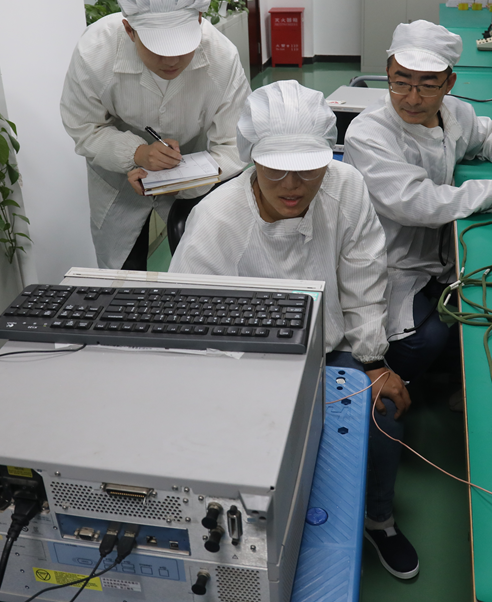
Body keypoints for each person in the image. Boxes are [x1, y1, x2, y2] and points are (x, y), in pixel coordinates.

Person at [169, 80, 422, 580]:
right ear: (251, 158)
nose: (292, 185)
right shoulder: (217, 220)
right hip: (247, 364)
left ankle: (378, 518)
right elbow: (190, 323)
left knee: (384, 411)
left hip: (330, 348)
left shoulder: (345, 187)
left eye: (308, 168)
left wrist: (373, 361)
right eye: (275, 169)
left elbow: (364, 276)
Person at [343, 20, 492, 398]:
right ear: (388, 74)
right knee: (425, 339)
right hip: (391, 261)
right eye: (401, 82)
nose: (412, 98)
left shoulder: (451, 112)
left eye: (428, 85)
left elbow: (487, 133)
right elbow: (417, 202)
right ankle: (390, 383)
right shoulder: (369, 133)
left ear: (449, 83)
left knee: (491, 307)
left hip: (437, 256)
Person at [60, 0, 249, 270]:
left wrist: (180, 176)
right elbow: (84, 126)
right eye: (157, 48)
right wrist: (136, 153)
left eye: (182, 46)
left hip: (198, 172)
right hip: (117, 179)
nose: (171, 60)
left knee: (201, 268)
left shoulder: (221, 57)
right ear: (129, 30)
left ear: (200, 19)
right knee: (123, 276)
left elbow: (234, 145)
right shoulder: (95, 52)